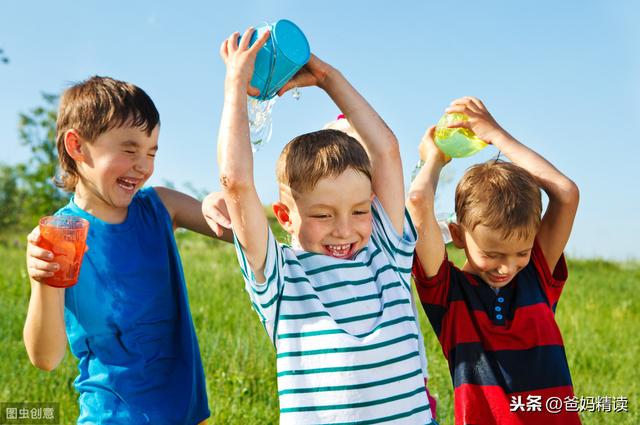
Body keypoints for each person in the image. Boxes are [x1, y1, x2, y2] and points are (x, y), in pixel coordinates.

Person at [210, 27, 437, 424]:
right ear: (285, 217)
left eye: (360, 211)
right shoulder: (280, 278)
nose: (345, 230)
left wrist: (326, 77)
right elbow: (237, 183)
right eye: (322, 215)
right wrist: (235, 85)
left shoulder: (387, 252)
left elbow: (386, 150)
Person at [24, 76, 231, 424]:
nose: (144, 166)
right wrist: (42, 280)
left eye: (151, 152)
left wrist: (217, 198)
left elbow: (242, 233)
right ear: (77, 146)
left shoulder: (162, 207)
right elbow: (45, 358)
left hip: (189, 414)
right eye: (129, 149)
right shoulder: (59, 238)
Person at [407, 96, 581, 425]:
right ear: (457, 235)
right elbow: (417, 202)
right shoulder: (448, 293)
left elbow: (566, 193)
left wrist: (496, 135)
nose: (508, 267)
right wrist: (434, 159)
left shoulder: (536, 276)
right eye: (492, 254)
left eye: (521, 252)